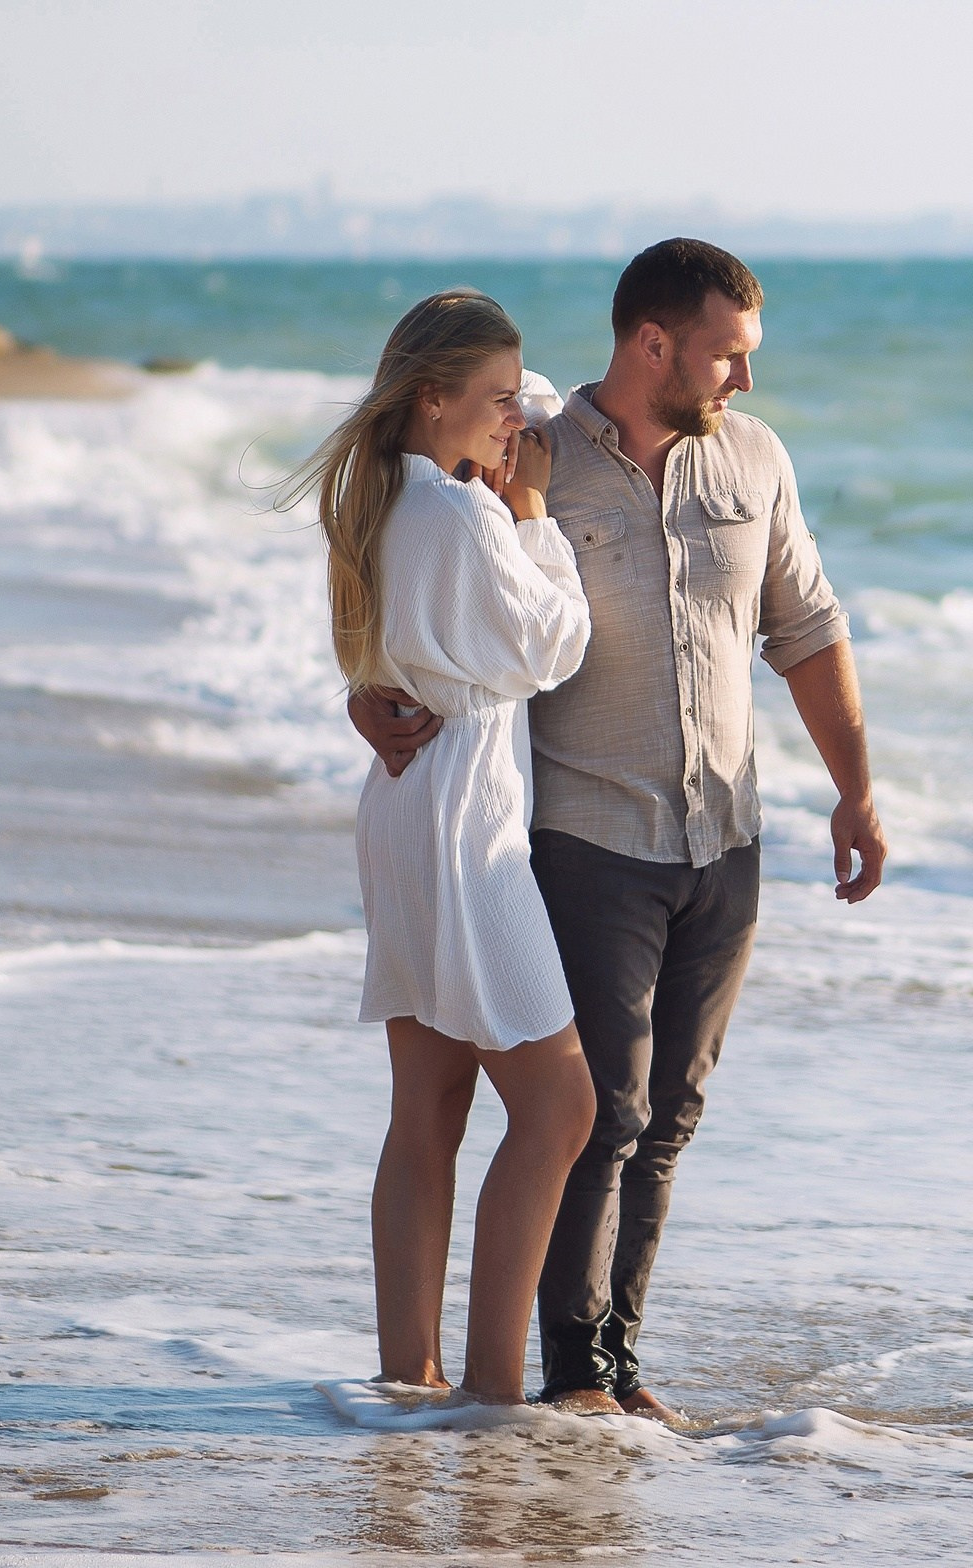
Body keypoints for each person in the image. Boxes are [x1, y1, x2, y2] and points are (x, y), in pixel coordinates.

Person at [351, 240, 884, 1418]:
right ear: (654, 343)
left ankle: (602, 1365)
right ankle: (558, 1374)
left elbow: (805, 626)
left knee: (664, 1120)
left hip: (726, 835)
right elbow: (433, 571)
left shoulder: (753, 458)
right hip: (578, 835)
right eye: (727, 354)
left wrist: (854, 788)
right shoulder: (532, 453)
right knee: (590, 1112)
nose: (743, 380)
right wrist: (364, 682)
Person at [286, 288, 597, 1403]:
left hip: (401, 802)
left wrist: (505, 418)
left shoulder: (380, 500)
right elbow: (554, 646)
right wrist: (536, 512)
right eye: (499, 401)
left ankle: (408, 1376)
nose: (522, 419)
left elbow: (521, 400)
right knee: (561, 1106)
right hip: (465, 811)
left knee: (426, 1109)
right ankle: (494, 1394)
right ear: (432, 400)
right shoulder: (471, 518)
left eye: (520, 400)